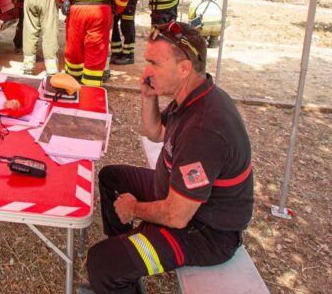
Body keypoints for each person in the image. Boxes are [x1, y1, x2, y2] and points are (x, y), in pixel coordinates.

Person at [83, 22, 253, 293]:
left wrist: (134, 208)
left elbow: (176, 216)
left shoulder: (203, 129)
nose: (146, 71)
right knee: (110, 177)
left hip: (205, 230)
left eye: (154, 63)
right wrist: (149, 97)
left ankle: (122, 264)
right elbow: (155, 132)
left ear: (184, 68)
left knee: (101, 263)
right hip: (177, 194)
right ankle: (128, 252)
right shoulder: (194, 93)